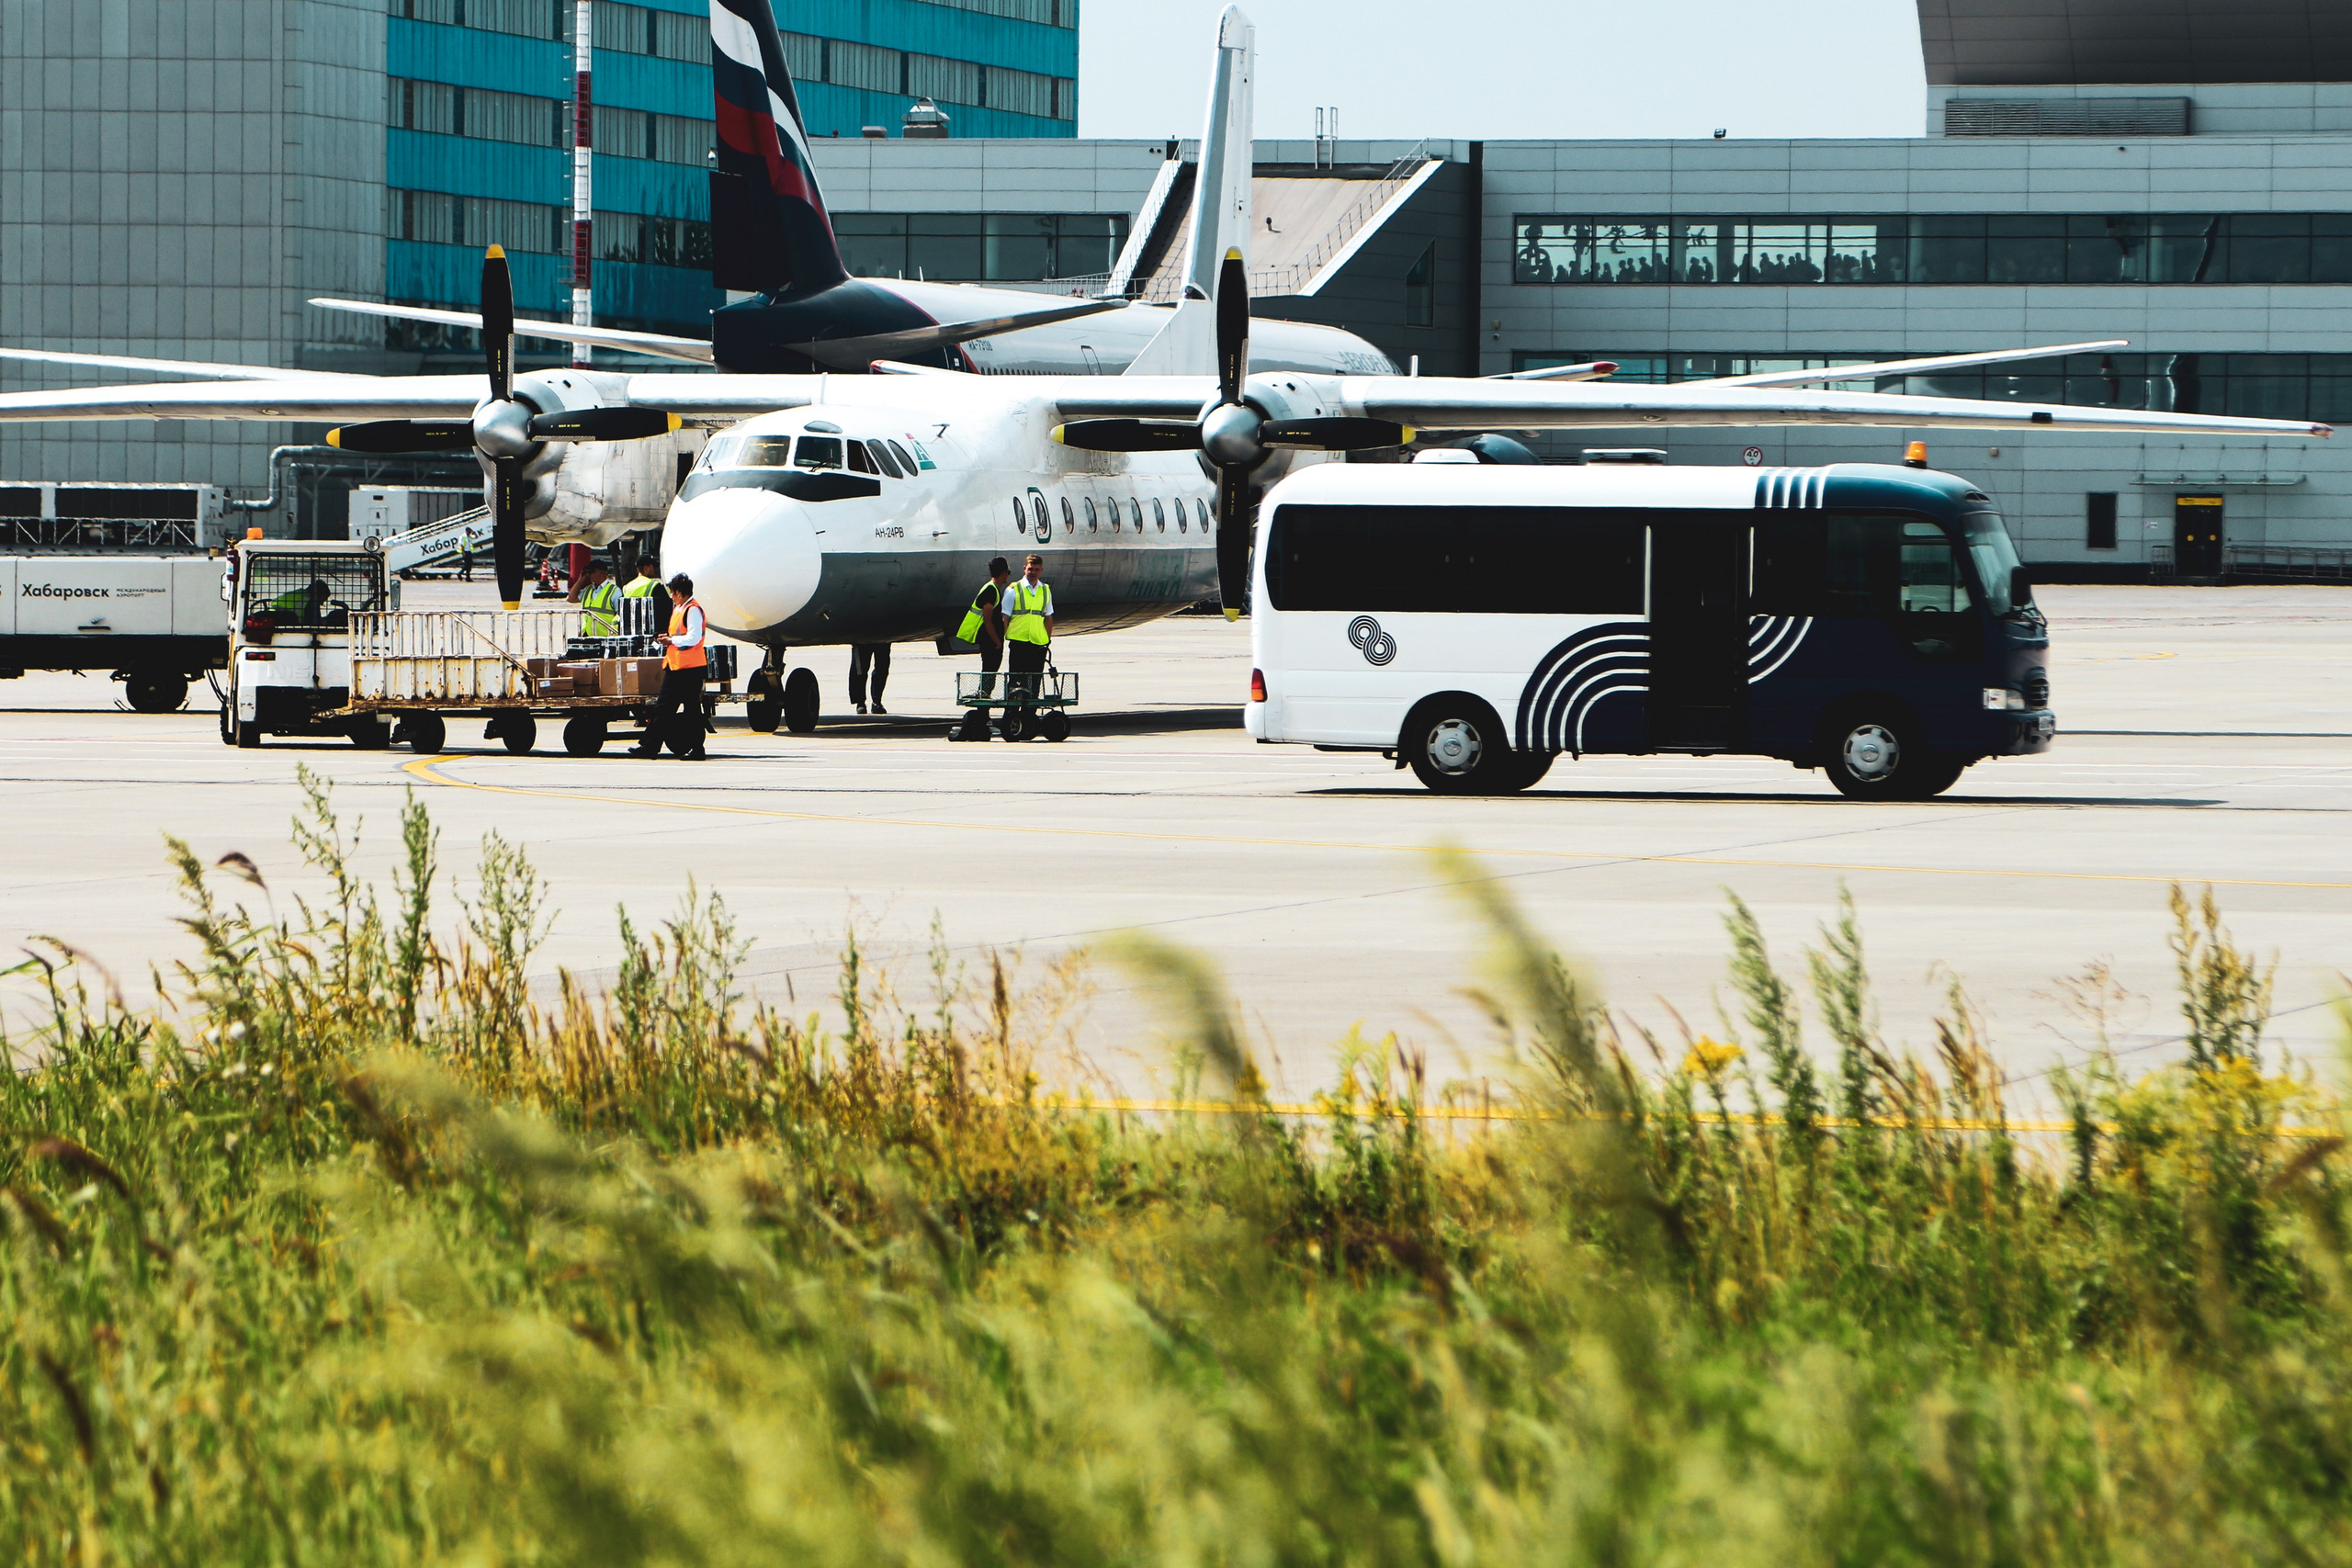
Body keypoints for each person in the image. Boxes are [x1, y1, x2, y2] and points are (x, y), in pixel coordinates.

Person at [631, 572, 708, 760]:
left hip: (689, 669)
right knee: (664, 708)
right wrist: (665, 638)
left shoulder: (693, 610)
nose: (671, 596)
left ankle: (697, 749)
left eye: (673, 593)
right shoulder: (679, 608)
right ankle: (650, 747)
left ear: (680, 593)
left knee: (690, 710)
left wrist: (671, 640)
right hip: (676, 666)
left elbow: (694, 637)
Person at [954, 558, 1011, 739]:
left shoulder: (992, 589)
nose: (1007, 576)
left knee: (989, 677)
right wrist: (997, 641)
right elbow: (988, 620)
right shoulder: (991, 591)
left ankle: (983, 715)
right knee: (988, 677)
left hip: (990, 641)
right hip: (989, 642)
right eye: (1007, 573)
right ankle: (983, 717)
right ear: (1002, 573)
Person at [1002, 553, 1054, 706]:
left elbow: (1048, 617)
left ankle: (1029, 716)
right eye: (1030, 569)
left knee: (1034, 684)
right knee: (1016, 684)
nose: (1033, 572)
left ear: (1041, 571)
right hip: (1019, 643)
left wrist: (1047, 639)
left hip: (1038, 643)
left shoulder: (1045, 590)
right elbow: (1004, 617)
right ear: (1025, 569)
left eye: (1037, 570)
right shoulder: (1013, 589)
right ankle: (1011, 714)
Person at [620, 556, 671, 640]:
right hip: (649, 633)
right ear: (646, 568)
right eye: (653, 567)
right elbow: (665, 610)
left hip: (630, 632)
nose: (655, 570)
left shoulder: (627, 587)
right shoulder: (654, 585)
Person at [569, 559, 618, 637]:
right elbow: (571, 598)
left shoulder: (614, 591)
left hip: (605, 637)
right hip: (587, 636)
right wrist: (580, 580)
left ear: (602, 573)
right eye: (587, 573)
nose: (588, 575)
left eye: (591, 572)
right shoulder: (588, 590)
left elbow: (619, 615)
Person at [848, 642, 890, 715]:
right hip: (862, 636)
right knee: (859, 669)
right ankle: (860, 702)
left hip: (882, 634)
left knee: (882, 668)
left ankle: (876, 701)